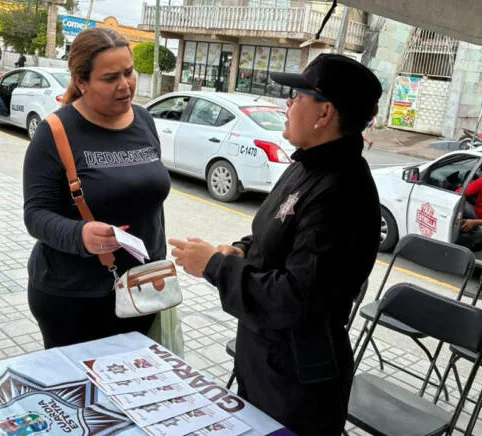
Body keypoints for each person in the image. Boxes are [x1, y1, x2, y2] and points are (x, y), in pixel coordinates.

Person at [169, 54, 382, 436]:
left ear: (324, 113)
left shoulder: (341, 192)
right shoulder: (307, 164)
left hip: (297, 380)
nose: (287, 105)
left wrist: (215, 267)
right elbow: (274, 232)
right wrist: (238, 250)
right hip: (266, 359)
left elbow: (295, 299)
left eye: (297, 97)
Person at [23, 28, 170, 349]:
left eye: (129, 73)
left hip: (142, 287)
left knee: (129, 383)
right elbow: (35, 215)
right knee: (77, 391)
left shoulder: (144, 120)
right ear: (81, 80)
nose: (125, 85)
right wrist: (81, 236)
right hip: (72, 295)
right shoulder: (56, 132)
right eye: (110, 78)